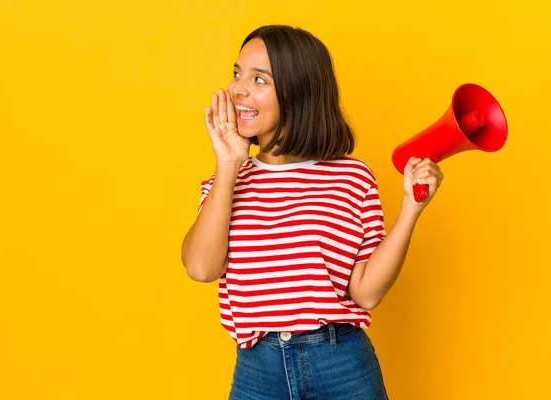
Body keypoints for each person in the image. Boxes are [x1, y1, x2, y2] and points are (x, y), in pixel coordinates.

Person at [182, 24, 444, 400]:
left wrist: (411, 210)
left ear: (297, 92)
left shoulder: (351, 178)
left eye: (259, 79)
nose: (238, 88)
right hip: (258, 370)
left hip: (341, 365)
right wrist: (228, 166)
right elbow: (201, 268)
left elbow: (366, 293)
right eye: (237, 73)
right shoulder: (227, 182)